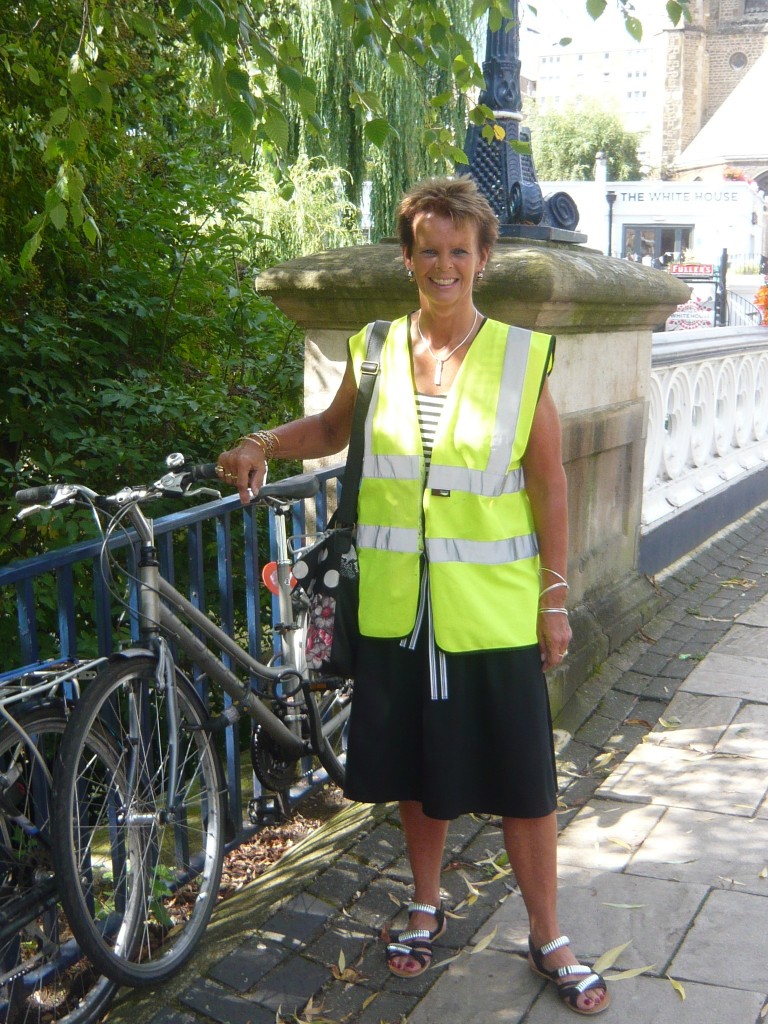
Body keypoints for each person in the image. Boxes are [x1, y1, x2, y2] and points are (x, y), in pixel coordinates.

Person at [216, 176, 609, 1016]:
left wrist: (554, 597)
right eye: (428, 250)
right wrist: (260, 441)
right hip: (395, 605)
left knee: (523, 776)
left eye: (458, 251)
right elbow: (329, 429)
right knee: (417, 770)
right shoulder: (377, 346)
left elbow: (549, 484)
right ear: (407, 257)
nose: (443, 265)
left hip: (492, 609)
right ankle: (427, 905)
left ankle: (547, 934)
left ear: (483, 259)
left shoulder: (516, 354)